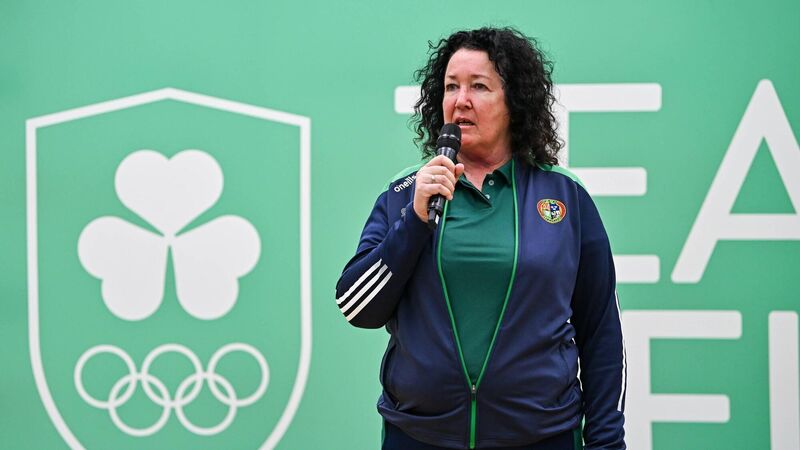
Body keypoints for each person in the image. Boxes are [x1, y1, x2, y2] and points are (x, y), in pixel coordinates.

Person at [335, 27, 626, 450]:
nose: (461, 100)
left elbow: (601, 332)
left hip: (542, 437)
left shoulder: (566, 197)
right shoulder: (406, 194)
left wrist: (606, 442)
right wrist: (414, 222)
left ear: (514, 101)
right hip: (420, 437)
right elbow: (357, 307)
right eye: (451, 86)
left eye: (479, 86)